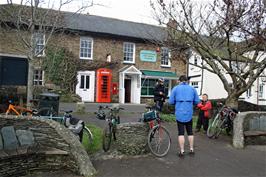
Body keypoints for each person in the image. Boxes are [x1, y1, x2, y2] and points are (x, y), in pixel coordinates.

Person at [169, 75, 200, 157]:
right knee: (190, 132)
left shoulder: (175, 88)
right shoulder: (192, 89)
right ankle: (191, 149)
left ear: (179, 81)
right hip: (189, 113)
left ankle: (182, 151)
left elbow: (171, 101)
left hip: (179, 113)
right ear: (187, 81)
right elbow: (197, 101)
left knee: (181, 133)